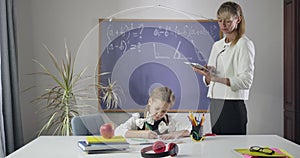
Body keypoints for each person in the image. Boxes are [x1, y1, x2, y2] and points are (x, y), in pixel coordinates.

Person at [193, 1, 255, 135]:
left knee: (232, 150)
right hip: (215, 103)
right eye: (220, 21)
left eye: (227, 21)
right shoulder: (217, 45)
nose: (223, 25)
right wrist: (207, 74)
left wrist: (216, 78)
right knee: (218, 148)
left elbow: (246, 81)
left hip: (232, 105)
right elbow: (210, 81)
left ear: (238, 20)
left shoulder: (244, 44)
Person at [115, 86, 190, 140]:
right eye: (157, 108)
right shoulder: (138, 118)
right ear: (150, 101)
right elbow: (118, 131)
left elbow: (191, 130)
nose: (159, 114)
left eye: (163, 111)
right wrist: (142, 134)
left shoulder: (169, 120)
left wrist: (175, 134)